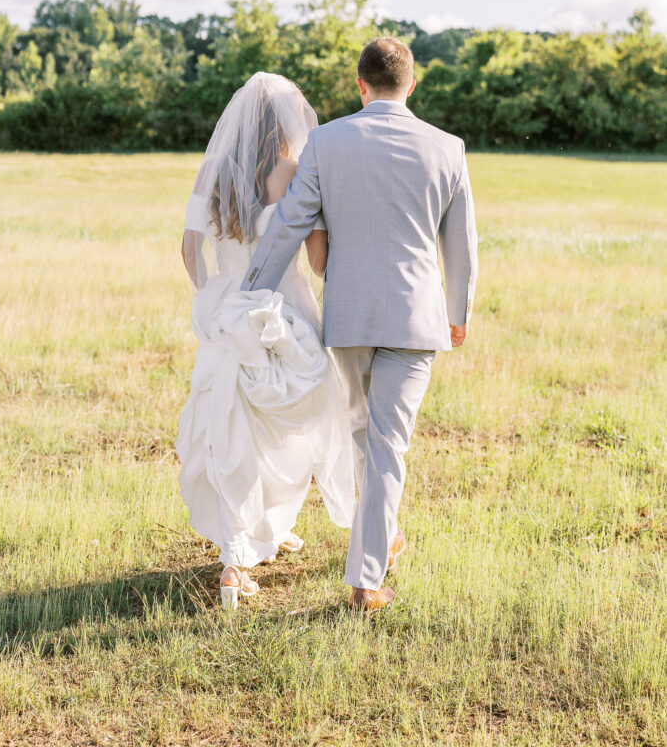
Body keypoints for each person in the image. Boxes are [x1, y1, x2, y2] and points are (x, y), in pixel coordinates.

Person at [241, 37, 478, 611]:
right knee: (385, 445)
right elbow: (462, 246)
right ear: (412, 84)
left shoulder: (326, 142)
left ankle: (381, 540)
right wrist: (459, 313)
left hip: (347, 317)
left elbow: (290, 223)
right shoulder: (447, 148)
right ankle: (366, 581)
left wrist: (250, 292)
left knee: (366, 441)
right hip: (415, 317)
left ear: (360, 83)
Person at [177, 72, 354, 611]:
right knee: (292, 425)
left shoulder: (212, 169)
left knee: (231, 429)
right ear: (286, 124)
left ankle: (253, 540)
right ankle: (241, 552)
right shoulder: (296, 171)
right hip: (286, 310)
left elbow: (188, 250)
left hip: (231, 310)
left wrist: (217, 298)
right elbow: (318, 259)